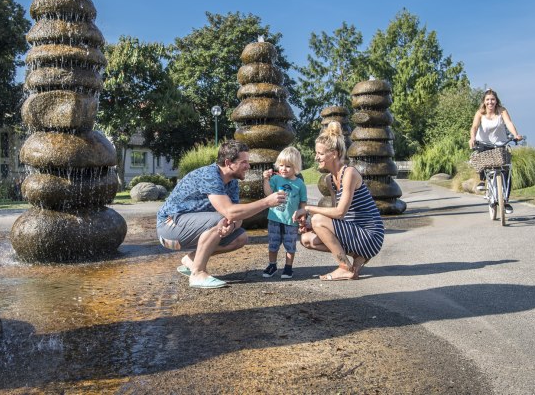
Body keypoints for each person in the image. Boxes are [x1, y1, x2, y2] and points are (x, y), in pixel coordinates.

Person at [157, 140, 287, 289]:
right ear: (228, 162)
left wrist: (229, 225)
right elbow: (230, 211)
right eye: (244, 162)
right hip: (168, 228)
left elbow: (235, 216)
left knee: (240, 237)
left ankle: (191, 260)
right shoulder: (209, 175)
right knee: (222, 218)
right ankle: (197, 274)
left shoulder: (232, 183)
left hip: (187, 227)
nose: (248, 166)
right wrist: (266, 202)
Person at [300, 122, 384, 280]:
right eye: (316, 153)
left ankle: (345, 267)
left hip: (371, 234)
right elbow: (336, 216)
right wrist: (311, 226)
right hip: (355, 231)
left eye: (320, 153)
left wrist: (308, 209)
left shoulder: (349, 173)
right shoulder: (330, 180)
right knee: (307, 239)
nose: (316, 157)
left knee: (318, 219)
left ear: (334, 153)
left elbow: (340, 212)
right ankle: (358, 257)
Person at [468, 88, 523, 213]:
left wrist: (515, 134)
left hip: (500, 143)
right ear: (484, 101)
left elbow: (509, 123)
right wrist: (472, 138)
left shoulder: (501, 111)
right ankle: (482, 180)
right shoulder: (480, 113)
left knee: (506, 170)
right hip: (483, 143)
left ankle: (506, 201)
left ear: (496, 100)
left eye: (492, 99)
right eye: (487, 100)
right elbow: (474, 126)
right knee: (481, 159)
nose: (490, 102)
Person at [261, 147, 307, 279]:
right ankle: (272, 265)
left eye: (288, 166)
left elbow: (303, 202)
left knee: (290, 245)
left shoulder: (300, 184)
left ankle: (288, 267)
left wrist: (302, 215)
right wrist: (265, 180)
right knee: (273, 244)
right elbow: (268, 194)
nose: (283, 169)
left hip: (291, 221)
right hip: (274, 218)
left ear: (296, 167)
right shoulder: (275, 180)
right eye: (281, 165)